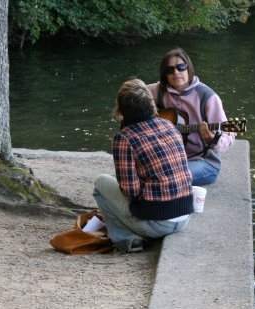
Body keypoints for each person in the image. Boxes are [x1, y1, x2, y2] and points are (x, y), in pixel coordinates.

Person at [93, 78, 194, 253]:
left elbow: (130, 191)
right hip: (184, 217)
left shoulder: (124, 137)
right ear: (151, 103)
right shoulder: (169, 126)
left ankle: (127, 240)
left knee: (101, 183)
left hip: (157, 224)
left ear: (122, 110)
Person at [147, 47, 235, 186]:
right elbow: (132, 94)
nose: (176, 72)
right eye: (169, 70)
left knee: (167, 178)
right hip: (168, 159)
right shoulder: (159, 91)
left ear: (188, 68)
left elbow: (229, 134)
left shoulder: (207, 96)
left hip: (202, 162)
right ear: (165, 75)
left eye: (181, 67)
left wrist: (213, 140)